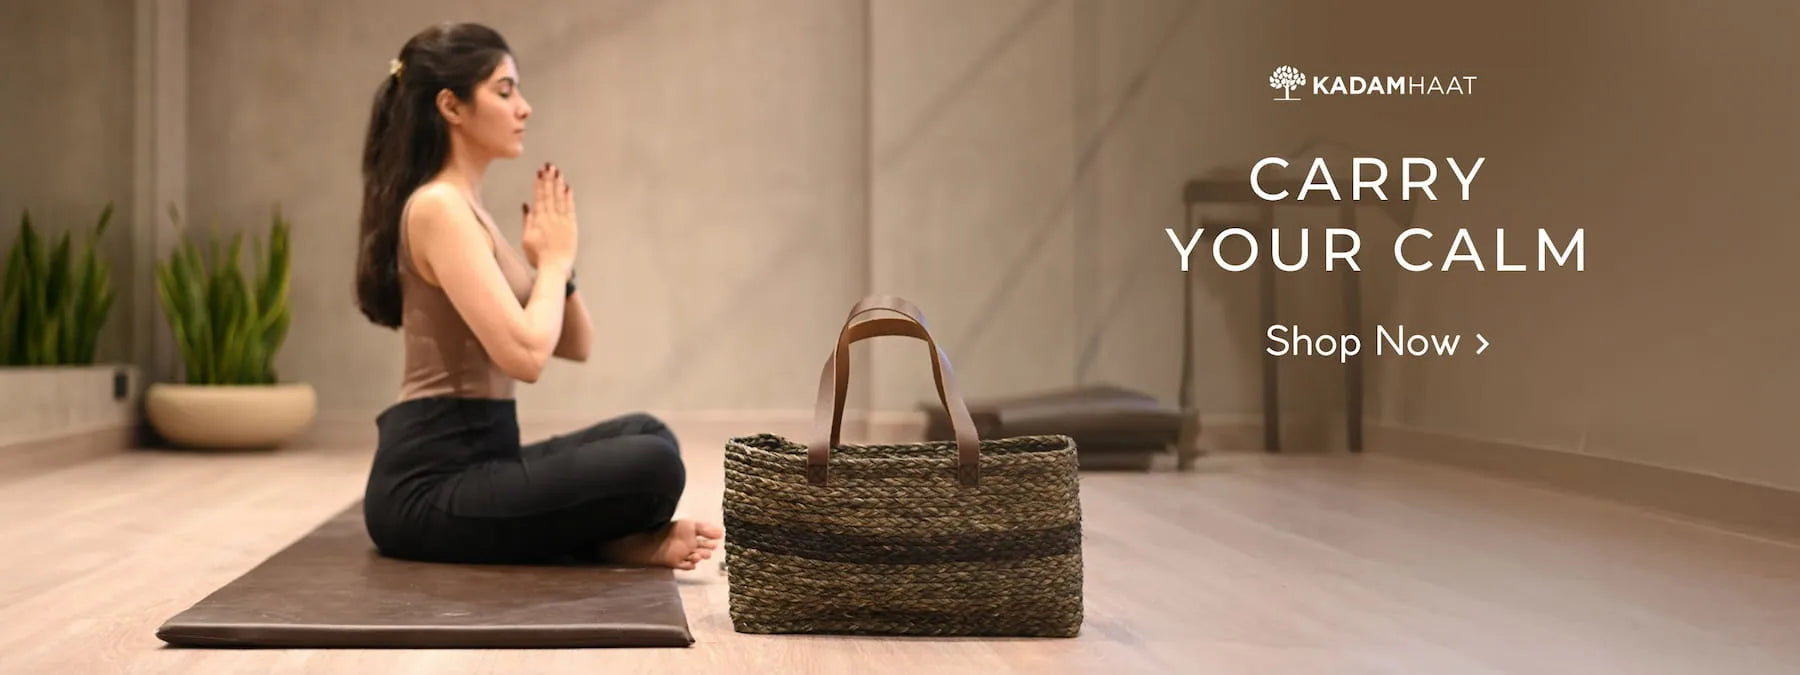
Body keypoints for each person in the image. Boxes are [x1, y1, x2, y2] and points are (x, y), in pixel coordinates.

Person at [352, 22, 722, 569]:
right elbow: (525, 358)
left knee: (650, 434)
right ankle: (608, 543)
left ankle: (601, 540)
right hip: (427, 485)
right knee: (652, 465)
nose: (523, 107)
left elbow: (575, 342)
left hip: (484, 459)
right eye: (504, 91)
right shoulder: (438, 208)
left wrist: (558, 268)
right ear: (452, 107)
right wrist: (551, 261)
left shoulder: (470, 211)